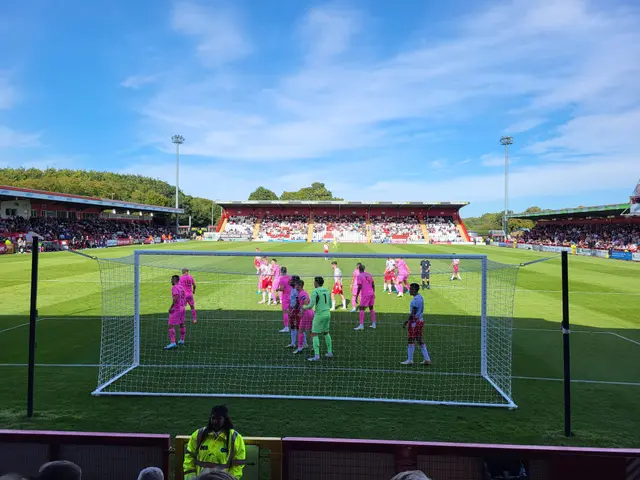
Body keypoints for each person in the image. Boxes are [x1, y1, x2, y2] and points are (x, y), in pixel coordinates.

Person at [183, 405, 247, 479]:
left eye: (219, 419)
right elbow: (189, 458)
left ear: (225, 420)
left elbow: (238, 465)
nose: (215, 421)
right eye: (213, 418)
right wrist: (191, 478)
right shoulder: (198, 435)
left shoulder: (235, 438)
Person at [303, 276, 333, 361]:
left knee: (314, 334)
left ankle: (316, 356)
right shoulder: (327, 290)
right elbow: (330, 305)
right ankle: (329, 352)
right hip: (328, 313)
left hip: (319, 314)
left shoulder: (315, 291)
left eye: (314, 281)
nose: (313, 283)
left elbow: (311, 305)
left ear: (316, 282)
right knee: (326, 332)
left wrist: (304, 307)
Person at [401, 283, 431, 365]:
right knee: (419, 339)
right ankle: (427, 359)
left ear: (414, 290)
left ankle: (410, 360)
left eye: (410, 289)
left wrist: (407, 322)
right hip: (420, 321)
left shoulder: (415, 300)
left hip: (415, 323)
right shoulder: (420, 297)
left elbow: (413, 313)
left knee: (411, 340)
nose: (409, 290)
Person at [165, 275, 186, 350]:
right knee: (182, 324)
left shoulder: (174, 287)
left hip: (177, 308)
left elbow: (176, 298)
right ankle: (182, 340)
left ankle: (173, 342)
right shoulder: (181, 287)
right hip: (183, 308)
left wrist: (171, 307)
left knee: (171, 326)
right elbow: (184, 297)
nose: (171, 281)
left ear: (174, 280)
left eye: (171, 279)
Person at [354, 264, 376, 330]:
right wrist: (373, 292)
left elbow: (359, 286)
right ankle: (374, 324)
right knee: (371, 308)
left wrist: (357, 295)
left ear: (359, 269)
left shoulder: (359, 276)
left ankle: (361, 325)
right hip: (371, 293)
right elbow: (373, 284)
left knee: (361, 308)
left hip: (365, 294)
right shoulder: (369, 274)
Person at [294, 279, 311, 354]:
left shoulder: (302, 294)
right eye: (296, 285)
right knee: (311, 332)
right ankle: (314, 347)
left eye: (297, 286)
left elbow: (306, 303)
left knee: (300, 330)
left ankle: (300, 348)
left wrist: (301, 312)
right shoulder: (303, 292)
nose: (296, 287)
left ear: (301, 286)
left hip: (306, 313)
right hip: (310, 312)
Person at [285, 275, 301, 348]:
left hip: (296, 310)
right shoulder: (293, 289)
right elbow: (292, 300)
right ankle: (293, 343)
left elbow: (298, 302)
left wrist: (293, 310)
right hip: (292, 309)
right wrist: (289, 308)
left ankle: (304, 343)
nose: (290, 281)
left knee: (299, 327)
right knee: (292, 326)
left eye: (292, 280)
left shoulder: (297, 290)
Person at [277, 266, 292, 333]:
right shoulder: (290, 277)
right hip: (292, 296)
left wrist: (277, 289)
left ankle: (286, 327)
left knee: (285, 312)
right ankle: (293, 325)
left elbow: (282, 288)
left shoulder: (282, 278)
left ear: (281, 271)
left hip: (286, 297)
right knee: (291, 311)